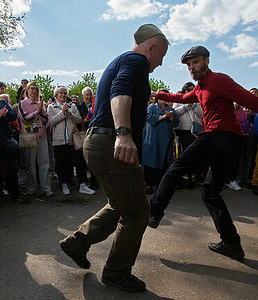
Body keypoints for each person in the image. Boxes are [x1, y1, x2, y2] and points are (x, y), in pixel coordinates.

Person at [148, 46, 258, 261]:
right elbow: (183, 97)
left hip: (220, 136)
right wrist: (157, 94)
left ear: (206, 60)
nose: (191, 68)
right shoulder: (200, 88)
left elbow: (253, 101)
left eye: (195, 62)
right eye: (188, 65)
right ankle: (232, 243)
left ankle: (153, 213)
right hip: (230, 143)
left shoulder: (220, 80)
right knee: (210, 192)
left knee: (174, 170)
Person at [59, 24, 169, 293]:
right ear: (151, 48)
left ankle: (77, 242)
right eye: (161, 56)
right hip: (110, 141)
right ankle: (117, 273)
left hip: (98, 142)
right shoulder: (136, 60)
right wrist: (123, 134)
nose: (161, 63)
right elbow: (120, 91)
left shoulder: (124, 61)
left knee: (119, 204)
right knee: (138, 212)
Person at [48, 86, 95, 196]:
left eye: (65, 93)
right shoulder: (51, 107)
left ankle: (83, 185)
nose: (63, 95)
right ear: (56, 95)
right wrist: (62, 113)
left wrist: (69, 113)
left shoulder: (72, 106)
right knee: (62, 163)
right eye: (61, 93)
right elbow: (51, 121)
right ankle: (64, 184)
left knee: (79, 161)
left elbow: (79, 120)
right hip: (59, 140)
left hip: (73, 139)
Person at [18, 81, 53, 197]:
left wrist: (41, 110)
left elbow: (45, 119)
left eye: (36, 89)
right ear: (27, 90)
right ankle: (31, 187)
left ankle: (46, 188)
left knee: (44, 163)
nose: (34, 91)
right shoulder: (22, 104)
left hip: (41, 135)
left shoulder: (40, 104)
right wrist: (36, 112)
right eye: (32, 88)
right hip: (29, 137)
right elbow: (24, 119)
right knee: (30, 165)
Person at [143, 97, 178, 194]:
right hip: (153, 138)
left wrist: (171, 118)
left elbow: (176, 122)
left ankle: (161, 185)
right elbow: (149, 118)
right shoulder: (152, 107)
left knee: (164, 161)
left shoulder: (171, 109)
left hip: (166, 139)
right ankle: (149, 184)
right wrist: (164, 117)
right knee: (151, 160)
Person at [172, 82, 203, 188]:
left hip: (194, 133)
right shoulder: (179, 99)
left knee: (192, 156)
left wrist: (193, 106)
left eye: (192, 89)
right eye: (188, 90)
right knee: (181, 156)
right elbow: (174, 112)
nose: (190, 91)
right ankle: (180, 178)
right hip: (182, 132)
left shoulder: (197, 101)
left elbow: (202, 114)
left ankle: (191, 178)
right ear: (184, 90)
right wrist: (186, 106)